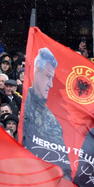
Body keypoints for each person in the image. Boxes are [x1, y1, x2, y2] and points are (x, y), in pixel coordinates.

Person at [21, 48, 71, 178]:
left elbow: (63, 164)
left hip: (46, 185)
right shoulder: (21, 106)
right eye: (48, 77)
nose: (51, 84)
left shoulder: (53, 121)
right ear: (37, 71)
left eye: (52, 78)